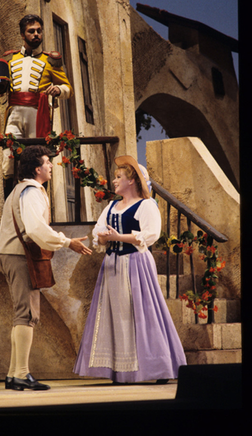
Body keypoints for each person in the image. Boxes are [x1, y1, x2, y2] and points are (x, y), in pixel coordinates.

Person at [73, 155, 187, 383]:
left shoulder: (146, 205)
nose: (114, 181)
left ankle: (158, 368)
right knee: (116, 315)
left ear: (132, 180)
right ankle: (119, 369)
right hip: (112, 265)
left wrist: (118, 236)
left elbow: (151, 234)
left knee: (143, 314)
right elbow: (98, 234)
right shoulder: (112, 206)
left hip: (135, 264)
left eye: (119, 177)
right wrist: (104, 239)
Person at [0, 145, 92, 391]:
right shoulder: (31, 192)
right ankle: (20, 373)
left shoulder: (24, 190)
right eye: (47, 162)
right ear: (37, 168)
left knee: (23, 314)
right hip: (19, 255)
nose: (51, 166)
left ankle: (13, 374)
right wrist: (66, 242)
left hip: (14, 254)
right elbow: (36, 229)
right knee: (26, 314)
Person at [0, 14, 73, 197]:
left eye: (39, 31)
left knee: (38, 161)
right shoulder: (10, 59)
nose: (36, 34)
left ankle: (40, 203)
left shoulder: (50, 60)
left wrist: (58, 89)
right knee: (8, 159)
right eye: (31, 31)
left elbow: (68, 88)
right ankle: (10, 204)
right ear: (22, 35)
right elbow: (1, 86)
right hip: (14, 114)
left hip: (37, 114)